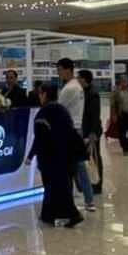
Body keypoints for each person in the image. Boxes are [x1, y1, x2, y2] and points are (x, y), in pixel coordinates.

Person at [26, 84, 84, 228]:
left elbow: (40, 138)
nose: (39, 96)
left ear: (44, 94)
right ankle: (50, 215)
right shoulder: (62, 110)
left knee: (51, 186)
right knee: (62, 185)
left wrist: (30, 156)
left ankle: (69, 215)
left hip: (50, 156)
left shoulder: (43, 113)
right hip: (66, 154)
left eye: (40, 93)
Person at [56, 58, 95, 211]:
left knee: (70, 167)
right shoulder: (77, 86)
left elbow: (58, 109)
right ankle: (88, 200)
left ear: (67, 70)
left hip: (69, 130)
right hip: (76, 129)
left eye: (59, 70)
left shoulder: (70, 88)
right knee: (78, 166)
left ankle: (70, 200)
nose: (58, 73)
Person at [78, 70, 103, 194]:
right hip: (85, 130)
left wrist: (93, 132)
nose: (77, 79)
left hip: (91, 132)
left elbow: (95, 114)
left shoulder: (92, 93)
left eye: (79, 77)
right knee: (86, 157)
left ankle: (97, 184)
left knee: (95, 157)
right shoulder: (84, 92)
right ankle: (87, 183)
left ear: (84, 79)